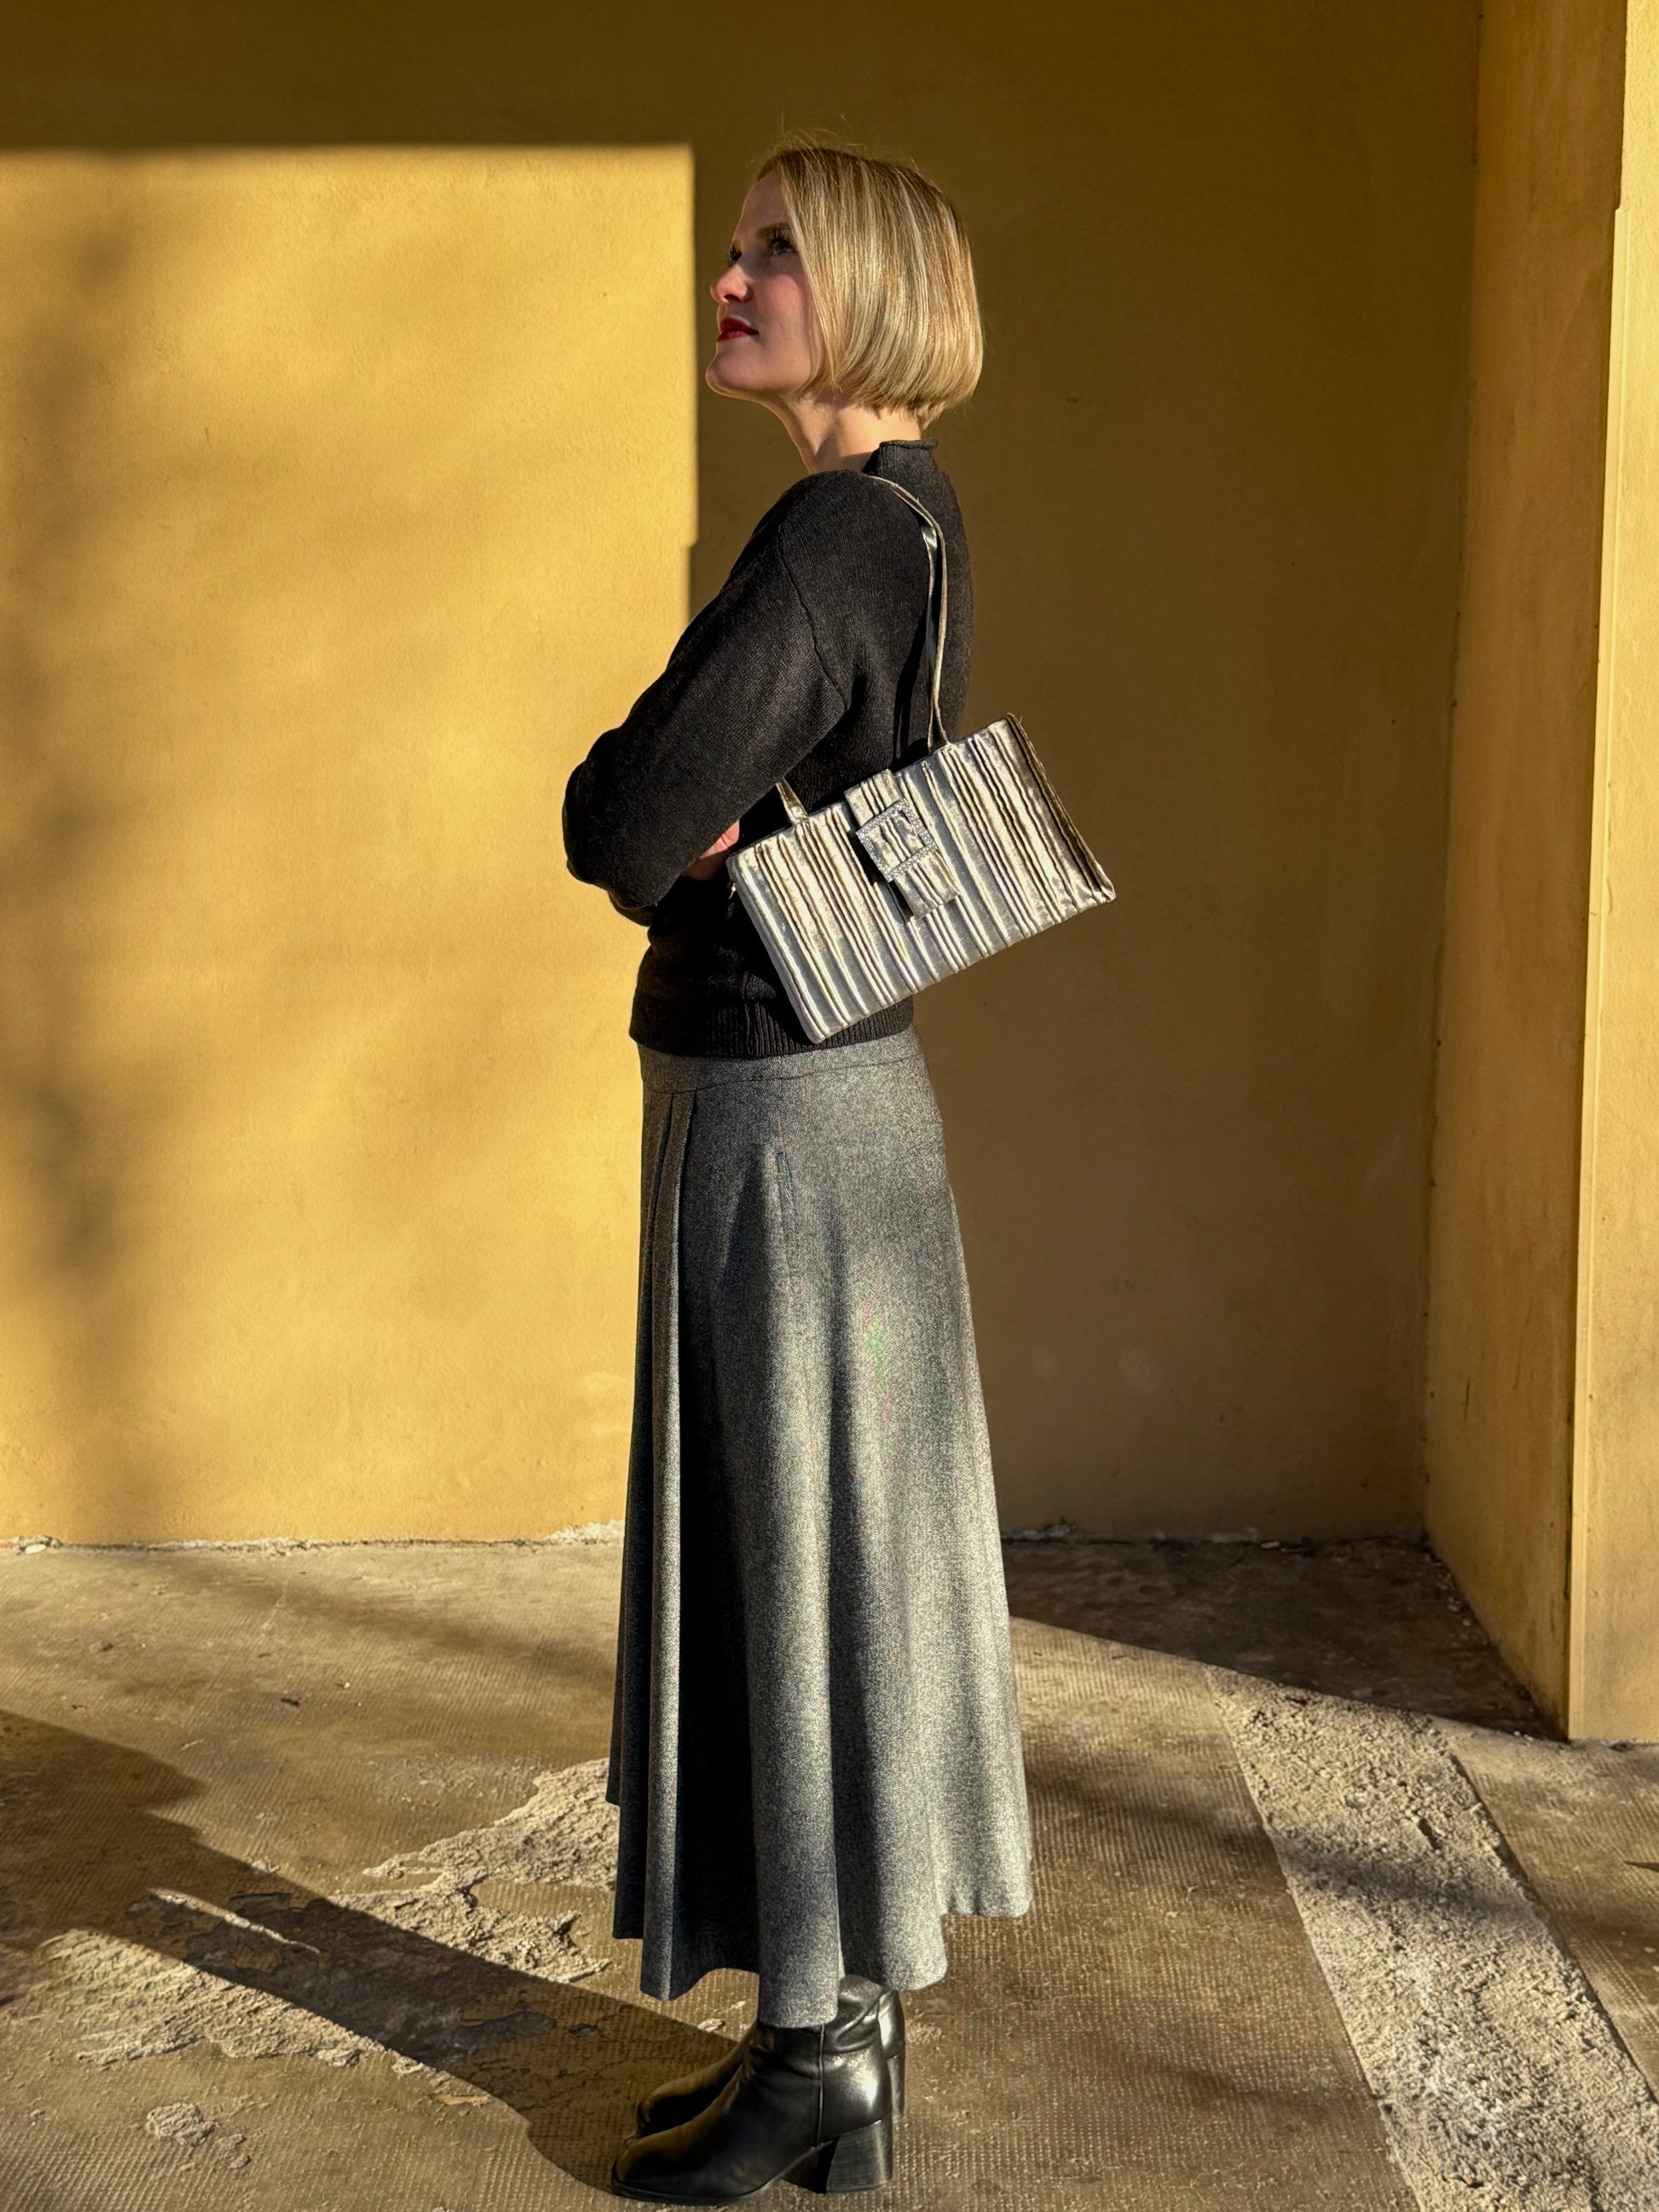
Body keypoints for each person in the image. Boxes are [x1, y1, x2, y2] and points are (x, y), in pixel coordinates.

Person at [562, 136, 1032, 2205]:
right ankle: (833, 2037)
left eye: (777, 251)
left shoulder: (831, 535)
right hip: (838, 1102)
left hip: (778, 1113)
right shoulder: (912, 518)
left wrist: (672, 811)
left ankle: (817, 2053)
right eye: (736, 243)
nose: (731, 274)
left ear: (872, 294)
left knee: (789, 1559)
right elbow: (684, 812)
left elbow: (617, 817)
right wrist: (694, 816)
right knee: (817, 1555)